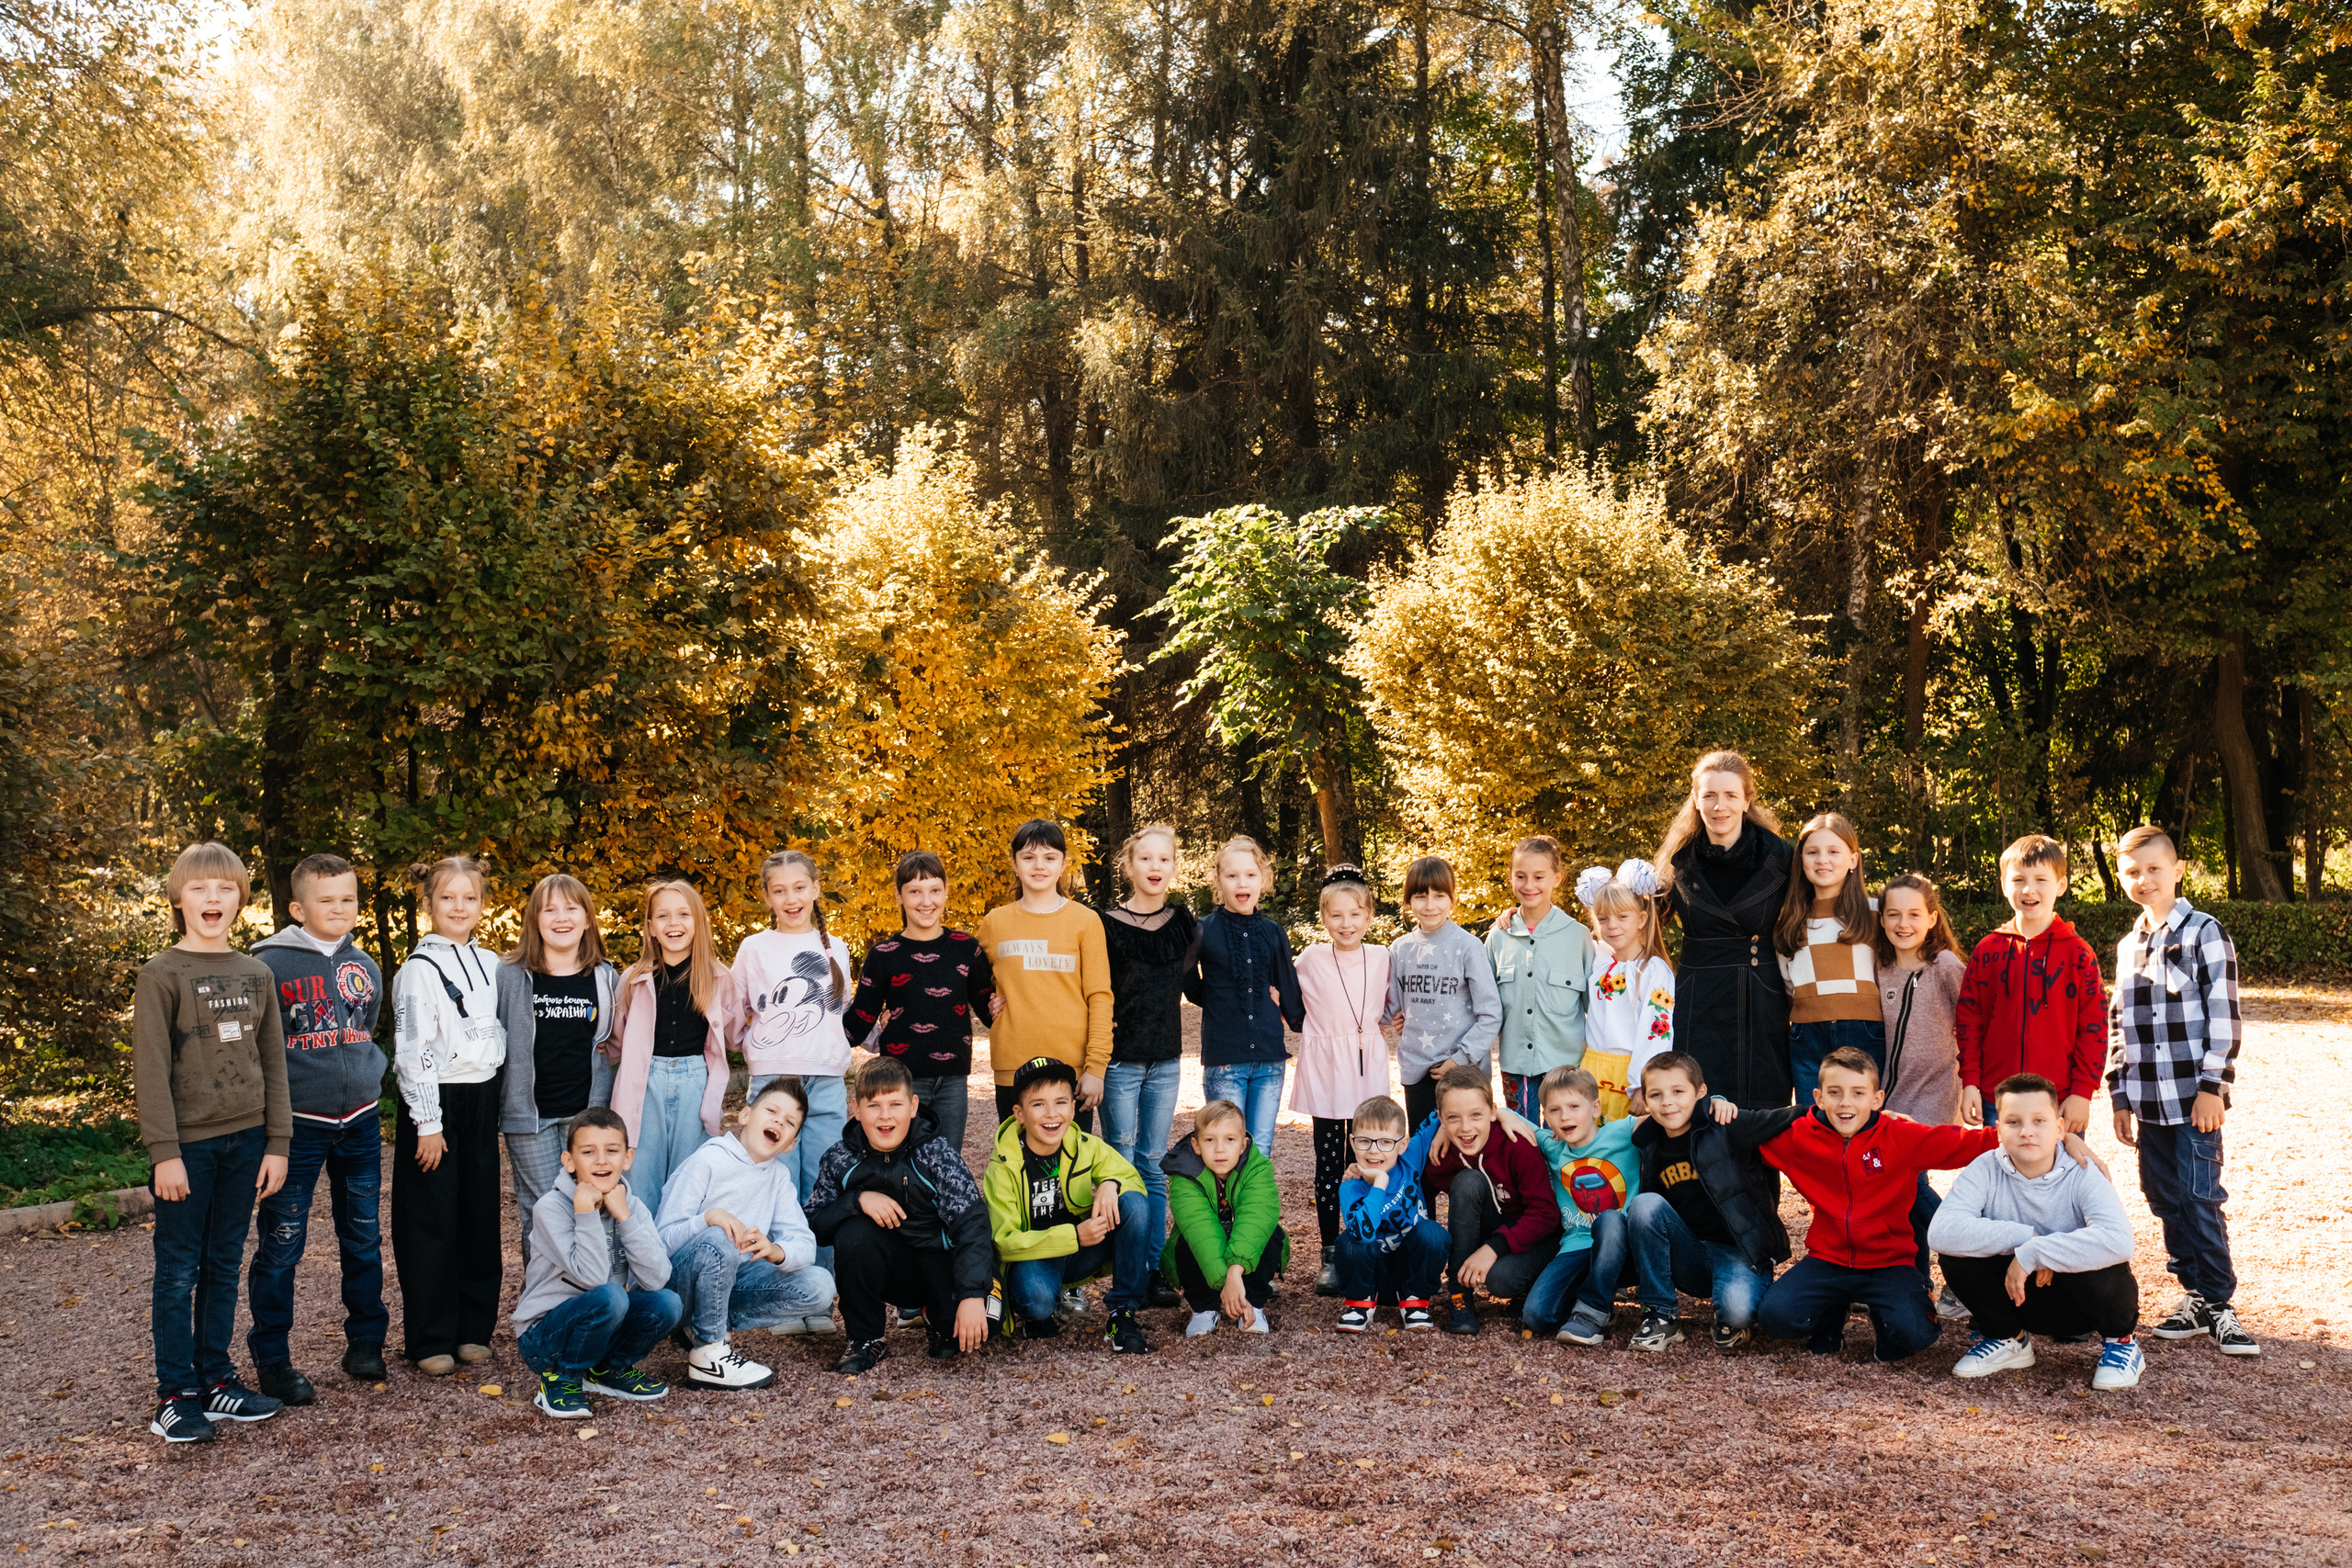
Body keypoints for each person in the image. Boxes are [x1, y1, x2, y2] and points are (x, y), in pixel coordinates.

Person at [137, 842, 291, 1442]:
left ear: (240, 900)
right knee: (179, 1269)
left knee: (224, 1263)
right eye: (200, 888)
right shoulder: (162, 973)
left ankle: (217, 1378)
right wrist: (164, 1152)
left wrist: (277, 1142)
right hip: (189, 1148)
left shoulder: (256, 973)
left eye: (225, 888)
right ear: (179, 900)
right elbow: (150, 1068)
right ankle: (176, 1393)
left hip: (247, 1140)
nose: (213, 898)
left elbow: (273, 1061)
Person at [1749, 1047, 2002, 1362]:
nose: (1845, 1103)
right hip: (1829, 1260)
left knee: (1915, 1335)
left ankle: (1889, 1316)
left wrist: (2047, 1134)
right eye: (1835, 1093)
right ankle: (1831, 1317)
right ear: (1818, 1097)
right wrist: (1713, 1109)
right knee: (1776, 1318)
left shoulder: (1899, 1135)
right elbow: (1742, 1138)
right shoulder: (1798, 1139)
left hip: (1889, 1263)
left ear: (1877, 1099)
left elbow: (1968, 1143)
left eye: (1858, 1093)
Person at [2109, 824, 2256, 1356]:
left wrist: (2214, 1085)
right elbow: (2119, 1024)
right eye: (2132, 872)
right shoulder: (2128, 946)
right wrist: (2120, 1095)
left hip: (2195, 1099)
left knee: (2201, 1197)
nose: (2144, 879)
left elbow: (2224, 1014)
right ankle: (2193, 1293)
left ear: (2178, 871)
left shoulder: (2203, 932)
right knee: (2163, 1198)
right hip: (2148, 1101)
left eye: (2153, 869)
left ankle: (2220, 1301)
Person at [247, 852, 386, 1404]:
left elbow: (365, 1029)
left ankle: (366, 1341)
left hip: (361, 1121)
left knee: (363, 1235)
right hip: (297, 1126)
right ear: (297, 907)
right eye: (325, 901)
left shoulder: (367, 966)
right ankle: (274, 1360)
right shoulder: (268, 966)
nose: (339, 909)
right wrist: (273, 1127)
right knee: (282, 1243)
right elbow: (262, 1050)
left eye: (348, 899)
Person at [1929, 1074, 2143, 1390]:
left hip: (2080, 1304)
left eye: (2039, 1121)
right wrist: (2026, 1240)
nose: (2027, 1131)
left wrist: (2038, 1252)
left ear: (2059, 1128)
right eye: (2013, 1122)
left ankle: (2121, 1343)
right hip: (2018, 1296)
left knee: (2101, 1255)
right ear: (1998, 1130)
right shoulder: (1985, 1167)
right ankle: (2008, 1339)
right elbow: (1941, 1231)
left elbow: (2120, 1240)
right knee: (1956, 1253)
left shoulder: (2082, 1171)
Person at [390, 855, 508, 1377]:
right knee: (430, 1219)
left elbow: (497, 1028)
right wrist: (428, 1121)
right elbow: (412, 1048)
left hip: (482, 1096)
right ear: (429, 904)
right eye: (447, 898)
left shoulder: (493, 964)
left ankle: (472, 1328)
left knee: (479, 1214)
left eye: (469, 898)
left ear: (482, 904)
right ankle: (430, 1335)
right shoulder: (419, 970)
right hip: (436, 1101)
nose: (459, 907)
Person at [807, 1056, 994, 1375]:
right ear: (856, 1108)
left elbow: (973, 1224)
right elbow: (815, 1223)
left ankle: (938, 1315)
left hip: (938, 1262)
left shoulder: (936, 1154)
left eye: (895, 1104)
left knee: (985, 1326)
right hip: (886, 1266)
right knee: (853, 1233)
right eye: (874, 1105)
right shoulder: (840, 1158)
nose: (885, 1116)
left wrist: (973, 1294)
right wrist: (857, 1200)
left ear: (913, 1106)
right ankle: (866, 1338)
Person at [656, 1077, 838, 1391]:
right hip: (677, 1289)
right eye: (771, 1110)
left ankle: (704, 1327)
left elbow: (805, 1244)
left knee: (819, 1285)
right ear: (744, 1115)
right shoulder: (707, 1161)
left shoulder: (778, 1177)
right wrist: (707, 1219)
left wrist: (775, 1250)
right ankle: (709, 1354)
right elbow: (661, 1241)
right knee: (720, 1237)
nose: (779, 1120)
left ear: (790, 1143)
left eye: (790, 1121)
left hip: (729, 1284)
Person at [512, 1108, 682, 1419]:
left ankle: (607, 1371)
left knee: (667, 1303)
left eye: (612, 1151)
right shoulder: (550, 1208)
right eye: (588, 1152)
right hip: (544, 1338)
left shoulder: (631, 1205)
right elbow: (592, 1278)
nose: (602, 1161)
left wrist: (625, 1217)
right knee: (611, 1295)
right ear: (569, 1162)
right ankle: (562, 1379)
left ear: (627, 1159)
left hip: (602, 1321)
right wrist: (585, 1213)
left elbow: (657, 1278)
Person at [1623, 1052, 1792, 1353]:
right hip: (1689, 1252)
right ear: (1645, 1102)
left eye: (1678, 1091)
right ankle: (1661, 1314)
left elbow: (1786, 1118)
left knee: (1738, 1314)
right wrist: (1507, 1113)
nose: (1667, 1102)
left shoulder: (1726, 1123)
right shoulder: (1645, 1138)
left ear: (1700, 1092)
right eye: (1656, 1095)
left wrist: (1870, 1115)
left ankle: (1736, 1305)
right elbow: (1585, 1133)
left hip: (1738, 1250)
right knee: (1645, 1204)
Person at [1654, 750, 1795, 1109]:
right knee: (1696, 1108)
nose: (1721, 806)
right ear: (1696, 801)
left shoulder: (1781, 856)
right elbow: (1636, 919)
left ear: (1747, 801)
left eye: (1731, 795)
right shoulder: (1679, 860)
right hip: (1696, 997)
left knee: (1760, 1109)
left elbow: (1822, 905)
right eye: (1710, 796)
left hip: (1760, 995)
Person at [983, 1055, 1153, 1353]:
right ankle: (1038, 1312)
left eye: (1061, 1102)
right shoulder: (1003, 1166)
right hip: (1033, 1257)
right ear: (1019, 1113)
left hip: (1081, 1251)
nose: (1052, 1114)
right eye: (1038, 1104)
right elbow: (1005, 1242)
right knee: (1036, 1300)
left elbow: (1133, 1179)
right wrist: (1074, 1236)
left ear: (1073, 1108)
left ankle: (1122, 1313)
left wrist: (1111, 1184)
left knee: (1134, 1205)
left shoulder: (1084, 1145)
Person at [733, 851, 855, 1252]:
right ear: (767, 897)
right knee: (774, 1182)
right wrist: (746, 1047)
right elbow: (735, 1012)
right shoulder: (754, 948)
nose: (791, 899)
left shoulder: (837, 948)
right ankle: (784, 1289)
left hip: (826, 1082)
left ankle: (817, 1294)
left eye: (800, 888)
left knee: (825, 1185)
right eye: (779, 890)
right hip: (774, 1082)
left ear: (816, 889)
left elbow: (843, 1013)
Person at [496, 874, 619, 1272]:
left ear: (587, 919)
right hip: (529, 1117)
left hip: (587, 1116)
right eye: (549, 909)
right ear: (534, 920)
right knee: (541, 1211)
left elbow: (616, 1042)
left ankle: (591, 1297)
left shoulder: (606, 976)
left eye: (571, 908)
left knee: (591, 1203)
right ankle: (543, 1305)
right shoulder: (510, 975)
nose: (561, 917)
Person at [1097, 824, 1195, 1303]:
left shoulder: (1183, 922)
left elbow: (1197, 985)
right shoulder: (1105, 922)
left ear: (1173, 866)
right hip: (1119, 1061)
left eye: (1164, 860)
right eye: (1146, 859)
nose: (1155, 867)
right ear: (1129, 866)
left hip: (1166, 1059)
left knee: (1154, 1164)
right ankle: (1126, 1268)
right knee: (1119, 1159)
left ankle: (1152, 1268)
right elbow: (1089, 988)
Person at [845, 849, 995, 1162]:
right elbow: (857, 1023)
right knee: (901, 1162)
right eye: (915, 891)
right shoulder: (884, 955)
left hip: (953, 1079)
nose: (926, 901)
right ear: (899, 896)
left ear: (945, 893)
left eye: (934, 891)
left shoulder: (966, 949)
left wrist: (1005, 1003)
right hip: (900, 1080)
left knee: (946, 1163)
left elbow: (990, 1011)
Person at [609, 879, 738, 1235]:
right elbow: (615, 1041)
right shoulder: (634, 979)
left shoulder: (718, 978)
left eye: (683, 914)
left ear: (698, 922)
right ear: (650, 927)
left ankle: (679, 1271)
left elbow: (736, 1033)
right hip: (644, 1081)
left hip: (696, 1080)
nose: (673, 923)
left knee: (689, 1176)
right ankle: (641, 1276)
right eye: (662, 916)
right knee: (640, 1173)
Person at [1955, 835, 2106, 1134]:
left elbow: (2094, 1027)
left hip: (2059, 1098)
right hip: (1997, 1097)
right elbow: (1968, 1020)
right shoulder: (1988, 950)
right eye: (2018, 879)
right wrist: (1970, 1081)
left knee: (2060, 1177)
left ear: (2061, 885)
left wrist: (2082, 1092)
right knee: (2003, 1177)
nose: (2028, 889)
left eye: (2041, 879)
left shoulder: (2079, 954)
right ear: (2003, 884)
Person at [1291, 865, 1392, 1294]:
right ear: (1323, 918)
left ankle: (1369, 1242)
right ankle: (1331, 1252)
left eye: (1354, 915)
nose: (1346, 924)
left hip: (1368, 1063)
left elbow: (1390, 1002)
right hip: (1328, 1066)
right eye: (1336, 916)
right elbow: (1283, 994)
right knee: (1330, 1162)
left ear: (1368, 916)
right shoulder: (1311, 959)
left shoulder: (1384, 955)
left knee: (1374, 1154)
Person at [1875, 871, 1970, 1320]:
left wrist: (1970, 1080)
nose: (1903, 923)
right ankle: (1918, 1282)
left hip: (1933, 1092)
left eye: (1914, 914)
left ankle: (1968, 1250)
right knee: (1903, 1189)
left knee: (1908, 1181)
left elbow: (1973, 1023)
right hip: (1889, 1095)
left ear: (1932, 918)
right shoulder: (1880, 968)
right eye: (1893, 914)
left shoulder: (1946, 966)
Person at [977, 819, 1113, 1131]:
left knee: (1070, 1168)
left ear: (1063, 863)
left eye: (1049, 857)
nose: (1039, 866)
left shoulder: (1086, 921)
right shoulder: (995, 923)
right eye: (1029, 857)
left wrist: (1096, 1068)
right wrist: (985, 1001)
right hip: (1013, 1065)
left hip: (1072, 1069)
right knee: (1018, 1166)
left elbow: (1100, 997)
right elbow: (966, 976)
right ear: (1014, 863)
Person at [1187, 835, 1306, 1162]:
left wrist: (1307, 1024)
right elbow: (1189, 983)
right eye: (1232, 875)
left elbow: (1291, 994)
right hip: (1225, 1059)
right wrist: (1218, 1000)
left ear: (1263, 880)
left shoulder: (1273, 933)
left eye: (1251, 875)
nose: (1242, 882)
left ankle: (1256, 1215)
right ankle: (1225, 1214)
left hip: (1269, 1059)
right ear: (1218, 881)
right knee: (1224, 1152)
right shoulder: (1202, 931)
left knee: (1260, 1150)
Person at [1424, 1063, 1561, 1336]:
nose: (1466, 1128)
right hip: (1493, 1229)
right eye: (1453, 1118)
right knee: (1467, 1182)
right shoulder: (1442, 1153)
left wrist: (1492, 1250)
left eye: (1476, 1115)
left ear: (1492, 1112)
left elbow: (1546, 1214)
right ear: (1440, 1117)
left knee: (1501, 1281)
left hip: (1537, 1237)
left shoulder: (1517, 1145)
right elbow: (1413, 1185)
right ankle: (1459, 1294)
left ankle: (1528, 1286)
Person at [1507, 1066, 1637, 1346]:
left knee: (1611, 1220)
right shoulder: (1551, 1145)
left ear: (1595, 1108)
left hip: (1625, 1245)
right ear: (1544, 1118)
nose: (1565, 1116)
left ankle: (1592, 1311)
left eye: (1574, 1106)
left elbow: (1668, 1115)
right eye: (1554, 1111)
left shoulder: (1621, 1133)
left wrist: (1716, 1102)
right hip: (1577, 1245)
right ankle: (1596, 1301)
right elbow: (1501, 1112)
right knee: (1536, 1315)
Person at [1774, 812, 1884, 1103]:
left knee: (1863, 1114)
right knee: (1816, 1115)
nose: (1823, 860)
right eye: (1812, 852)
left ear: (1853, 860)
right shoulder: (1788, 920)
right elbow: (1787, 982)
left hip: (1865, 1029)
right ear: (1801, 861)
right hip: (1807, 1035)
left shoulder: (1875, 912)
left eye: (1834, 851)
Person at [1387, 857, 1501, 1131]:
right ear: (1408, 900)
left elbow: (1491, 1014)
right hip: (1417, 1071)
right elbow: (1394, 1007)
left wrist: (1459, 1059)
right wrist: (1398, 1019)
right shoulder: (1399, 949)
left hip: (1464, 1072)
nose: (1429, 905)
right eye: (1420, 896)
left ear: (1452, 898)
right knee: (1425, 1151)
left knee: (1465, 1148)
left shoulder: (1468, 947)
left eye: (1439, 896)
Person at [1487, 835, 1594, 1121]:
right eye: (1520, 876)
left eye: (1539, 876)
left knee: (1566, 1136)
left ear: (1557, 879)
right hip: (1515, 1064)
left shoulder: (1579, 937)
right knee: (1523, 1140)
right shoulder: (1498, 936)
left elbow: (1595, 1008)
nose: (1529, 885)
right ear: (1510, 876)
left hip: (1565, 1065)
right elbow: (1482, 1002)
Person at [1160, 1100, 1288, 1337]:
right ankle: (1204, 1308)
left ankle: (1253, 1304)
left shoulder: (1258, 1168)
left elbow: (1255, 1218)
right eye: (1210, 1140)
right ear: (1196, 1145)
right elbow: (1202, 1231)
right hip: (1206, 1254)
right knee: (1188, 1243)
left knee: (1267, 1235)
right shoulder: (1183, 1174)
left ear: (1243, 1145)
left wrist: (1235, 1274)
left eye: (1230, 1139)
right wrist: (1228, 1285)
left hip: (1241, 1254)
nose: (1220, 1149)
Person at [1331, 1096, 1446, 1333]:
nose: (1374, 1150)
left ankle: (1415, 1303)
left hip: (1410, 1270)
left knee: (1434, 1233)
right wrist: (1379, 1183)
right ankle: (1359, 1305)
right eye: (1364, 1141)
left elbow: (1444, 1109)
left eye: (1385, 1142)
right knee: (1349, 1240)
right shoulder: (1350, 1186)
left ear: (1402, 1145)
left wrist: (1506, 1114)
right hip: (1371, 1275)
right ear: (1352, 1143)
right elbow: (1362, 1234)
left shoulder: (1410, 1159)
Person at [1575, 861, 1676, 1120]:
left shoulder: (1654, 970)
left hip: (1632, 1077)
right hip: (1592, 1072)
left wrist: (1644, 1084)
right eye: (1603, 918)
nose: (1612, 926)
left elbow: (1656, 1030)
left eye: (1622, 916)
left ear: (1642, 919)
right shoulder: (1599, 961)